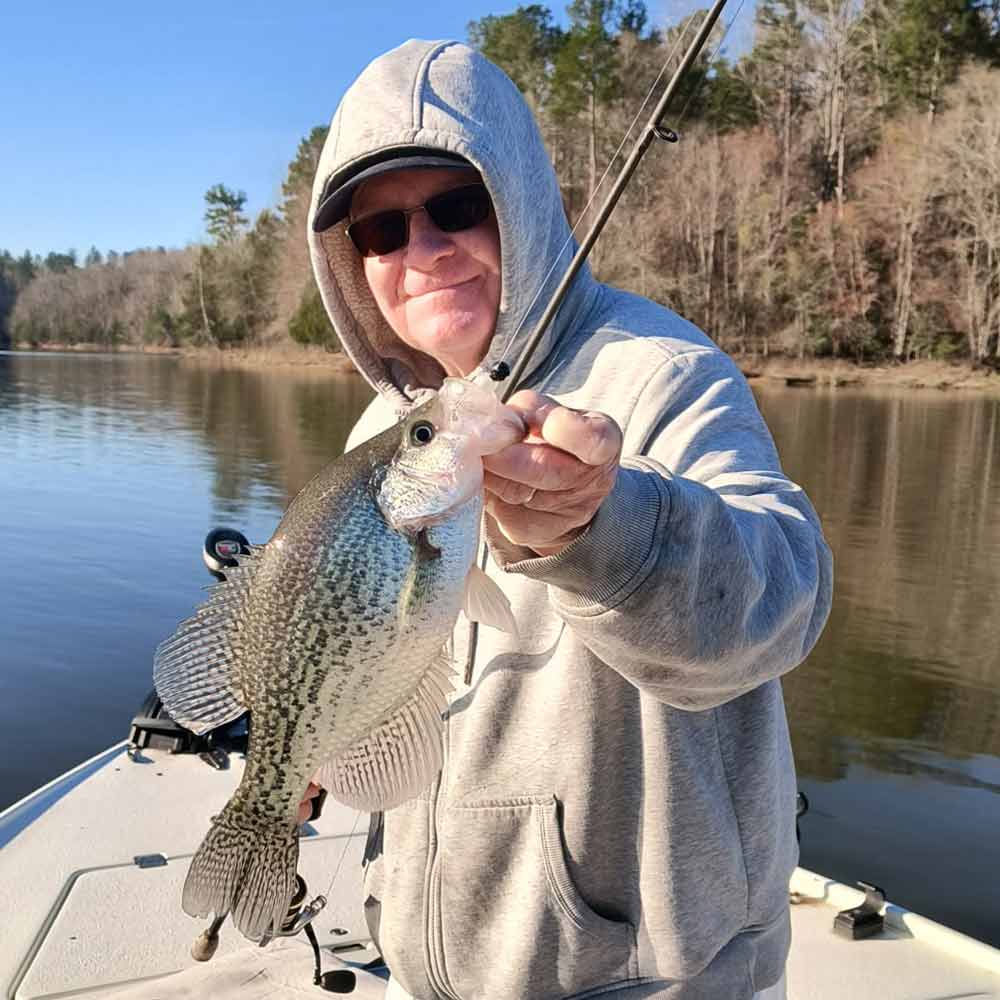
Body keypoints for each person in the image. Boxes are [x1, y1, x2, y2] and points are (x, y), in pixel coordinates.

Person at [304, 39, 833, 1000]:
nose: (420, 252)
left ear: (519, 203)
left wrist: (604, 529)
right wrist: (313, 732)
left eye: (455, 208)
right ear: (352, 261)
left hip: (638, 976)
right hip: (425, 968)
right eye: (381, 232)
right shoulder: (387, 425)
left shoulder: (661, 373)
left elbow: (784, 605)